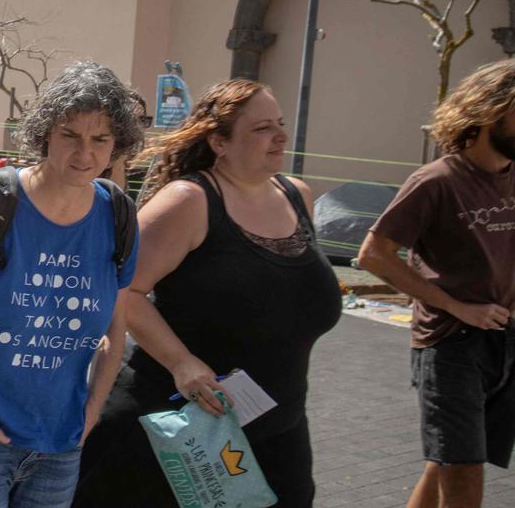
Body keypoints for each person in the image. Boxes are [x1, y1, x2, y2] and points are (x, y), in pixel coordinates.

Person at [75, 79, 342, 507]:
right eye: (261, 129)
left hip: (277, 427)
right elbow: (123, 290)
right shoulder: (189, 201)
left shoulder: (297, 196)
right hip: (176, 426)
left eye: (280, 124)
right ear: (219, 141)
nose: (280, 137)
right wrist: (182, 362)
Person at [0, 61, 143, 508]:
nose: (85, 153)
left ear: (118, 144)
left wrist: (92, 410)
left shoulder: (116, 216)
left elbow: (115, 329)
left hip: (60, 442)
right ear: (45, 133)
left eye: (100, 139)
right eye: (70, 135)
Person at [358, 59, 515, 508]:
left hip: (504, 342)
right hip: (451, 346)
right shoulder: (436, 181)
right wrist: (456, 306)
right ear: (491, 112)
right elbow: (373, 254)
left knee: (452, 459)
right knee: (463, 474)